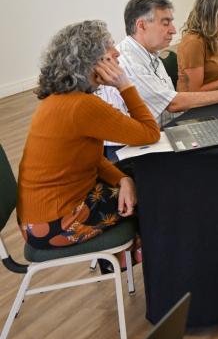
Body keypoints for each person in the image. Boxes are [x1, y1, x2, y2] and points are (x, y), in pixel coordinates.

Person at [17, 20, 159, 254]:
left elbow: (89, 158)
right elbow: (149, 133)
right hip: (58, 224)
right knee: (157, 187)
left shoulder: (60, 98)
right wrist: (124, 85)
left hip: (40, 220)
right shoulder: (82, 106)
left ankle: (135, 258)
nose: (117, 52)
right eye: (108, 48)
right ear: (90, 62)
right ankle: (158, 264)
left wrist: (123, 180)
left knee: (138, 174)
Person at [97, 0, 218, 129]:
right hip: (135, 146)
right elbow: (173, 104)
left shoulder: (150, 52)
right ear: (141, 25)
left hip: (165, 127)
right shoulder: (128, 63)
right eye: (166, 23)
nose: (173, 30)